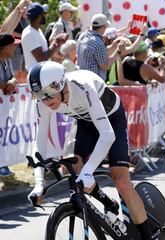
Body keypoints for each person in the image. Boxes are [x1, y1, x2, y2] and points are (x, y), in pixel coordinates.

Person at [27, 61, 155, 239]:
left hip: (111, 122)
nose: (46, 101)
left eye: (48, 95)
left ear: (62, 85)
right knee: (69, 167)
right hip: (86, 124)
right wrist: (38, 184)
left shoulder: (83, 87)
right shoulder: (44, 102)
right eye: (40, 96)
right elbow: (39, 145)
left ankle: (147, 236)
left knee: (122, 182)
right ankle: (107, 202)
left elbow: (107, 134)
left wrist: (88, 171)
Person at [0, 33, 22, 178]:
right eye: (13, 45)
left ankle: (3, 163)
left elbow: (13, 77)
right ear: (6, 47)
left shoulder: (6, 61)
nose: (15, 48)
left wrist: (12, 82)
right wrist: (5, 86)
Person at [76, 13, 122, 81]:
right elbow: (105, 66)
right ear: (103, 27)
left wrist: (112, 46)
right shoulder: (98, 42)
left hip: (82, 78)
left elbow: (96, 53)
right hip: (94, 82)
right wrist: (118, 51)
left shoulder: (83, 35)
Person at [21, 2, 65, 72]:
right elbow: (41, 58)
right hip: (37, 77)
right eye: (44, 14)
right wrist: (56, 43)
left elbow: (45, 53)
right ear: (39, 17)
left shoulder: (37, 30)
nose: (46, 15)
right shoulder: (30, 33)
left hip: (41, 75)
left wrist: (58, 42)